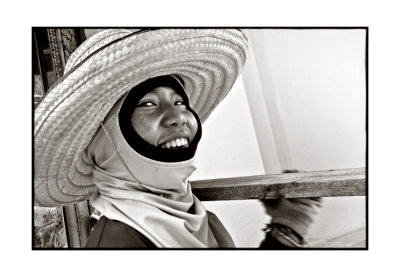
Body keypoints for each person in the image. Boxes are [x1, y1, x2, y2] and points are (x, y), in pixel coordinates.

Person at [34, 29, 321, 248]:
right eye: (146, 104)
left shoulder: (195, 217)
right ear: (103, 140)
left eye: (180, 102)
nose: (178, 117)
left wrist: (287, 226)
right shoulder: (120, 245)